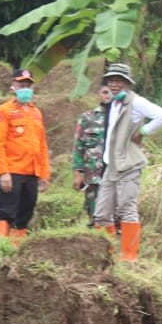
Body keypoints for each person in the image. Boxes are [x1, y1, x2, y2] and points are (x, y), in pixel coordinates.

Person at [93, 63, 162, 262]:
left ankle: (129, 257)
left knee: (127, 209)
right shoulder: (114, 103)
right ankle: (107, 257)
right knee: (102, 213)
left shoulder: (136, 102)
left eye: (119, 81)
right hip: (112, 165)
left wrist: (143, 132)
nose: (114, 84)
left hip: (128, 164)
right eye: (111, 80)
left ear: (127, 83)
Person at [0, 68, 50, 242]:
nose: (25, 87)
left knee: (25, 213)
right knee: (5, 212)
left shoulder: (36, 113)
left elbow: (42, 145)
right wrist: (3, 172)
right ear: (12, 86)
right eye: (21, 84)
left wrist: (44, 174)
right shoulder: (4, 111)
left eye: (28, 85)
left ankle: (15, 248)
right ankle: (0, 247)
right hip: (12, 171)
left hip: (31, 172)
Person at [71, 85, 111, 226]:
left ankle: (116, 245)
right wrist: (77, 173)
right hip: (93, 175)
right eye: (105, 92)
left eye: (111, 92)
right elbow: (78, 146)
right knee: (94, 215)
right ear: (99, 94)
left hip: (115, 174)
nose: (108, 95)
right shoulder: (87, 118)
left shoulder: (121, 117)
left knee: (116, 214)